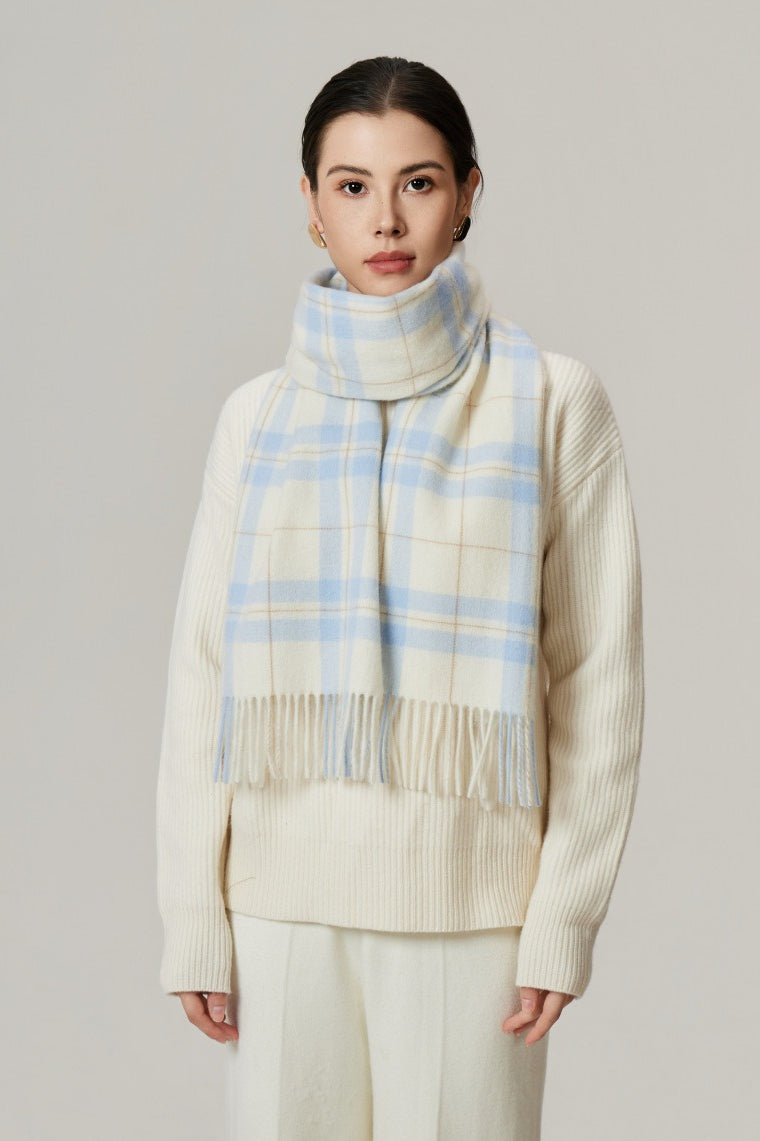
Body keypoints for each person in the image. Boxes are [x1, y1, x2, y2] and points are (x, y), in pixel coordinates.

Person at [156, 55, 645, 1140]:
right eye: (352, 186)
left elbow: (597, 679)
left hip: (476, 916)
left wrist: (562, 917)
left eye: (418, 183)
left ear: (468, 192)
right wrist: (194, 913)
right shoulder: (256, 419)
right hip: (278, 913)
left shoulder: (552, 402)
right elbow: (202, 677)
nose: (385, 219)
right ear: (311, 204)